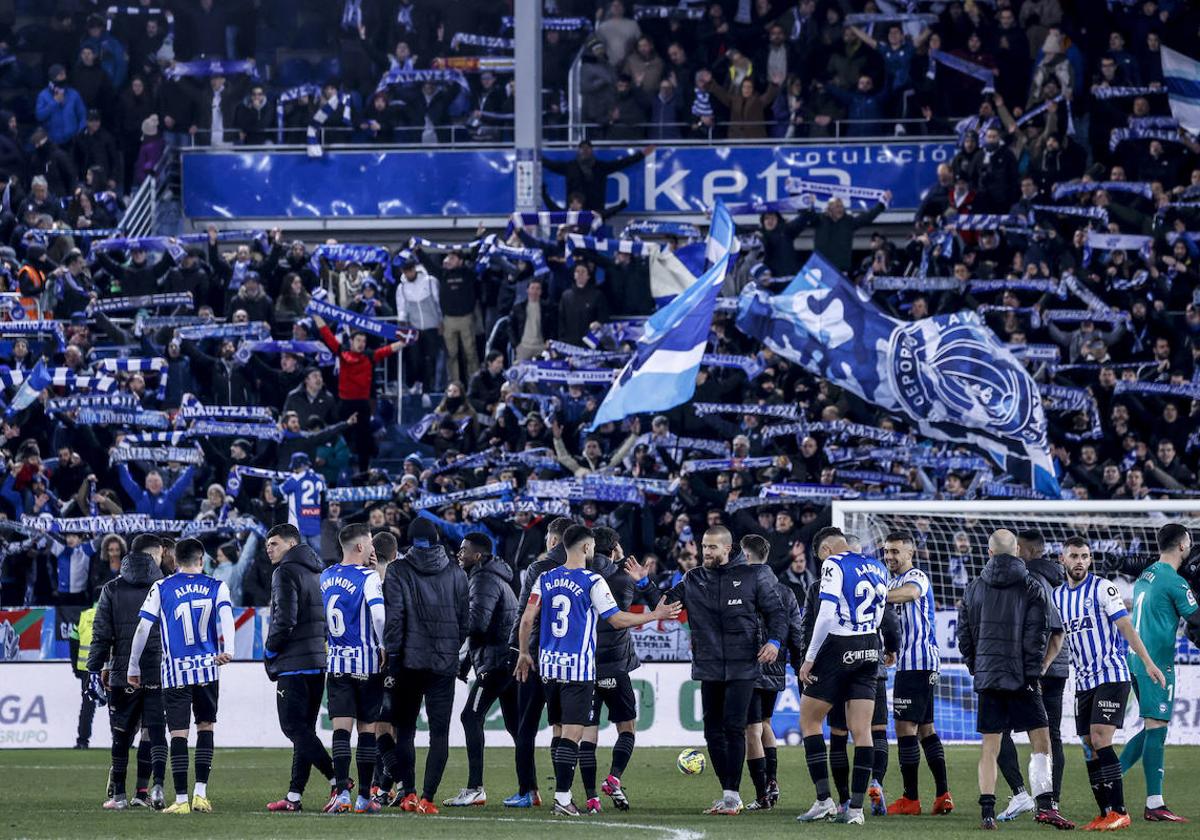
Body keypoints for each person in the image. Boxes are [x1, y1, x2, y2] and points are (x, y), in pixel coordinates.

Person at [514, 525, 680, 816]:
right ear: (587, 548)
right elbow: (615, 620)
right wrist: (655, 614)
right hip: (578, 669)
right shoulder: (593, 581)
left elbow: (527, 618)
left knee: (559, 729)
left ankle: (567, 795)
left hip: (549, 667)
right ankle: (563, 799)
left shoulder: (545, 578)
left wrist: (525, 654)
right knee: (573, 735)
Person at [664, 525, 785, 816]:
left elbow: (777, 613)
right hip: (709, 666)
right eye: (704, 547)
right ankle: (729, 793)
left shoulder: (752, 576)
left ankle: (733, 798)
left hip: (743, 665)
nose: (706, 552)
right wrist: (644, 584)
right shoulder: (693, 578)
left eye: (712, 547)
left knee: (734, 728)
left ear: (728, 549)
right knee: (711, 732)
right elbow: (669, 600)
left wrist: (774, 641)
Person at [957, 529, 1070, 830]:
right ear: (1017, 552)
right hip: (1023, 678)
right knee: (1041, 741)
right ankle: (1045, 806)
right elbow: (1038, 635)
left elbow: (964, 637)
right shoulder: (1032, 586)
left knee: (989, 747)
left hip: (989, 677)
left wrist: (976, 667)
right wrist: (1033, 673)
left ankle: (987, 812)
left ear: (989, 552)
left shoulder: (974, 588)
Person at [1052, 536, 1165, 831]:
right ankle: (1104, 813)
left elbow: (1125, 625)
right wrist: (1042, 668)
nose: (1080, 561)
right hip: (1084, 680)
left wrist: (1149, 662)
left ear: (1091, 560)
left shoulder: (1103, 588)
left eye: (1085, 556)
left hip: (1111, 674)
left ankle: (1120, 812)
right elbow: (1058, 638)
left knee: (1101, 739)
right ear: (1063, 560)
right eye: (1074, 556)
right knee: (1089, 747)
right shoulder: (1058, 596)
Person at [127, 538, 234, 814]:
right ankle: (201, 794)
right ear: (202, 559)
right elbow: (226, 618)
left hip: (175, 672)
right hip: (208, 669)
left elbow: (142, 629)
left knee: (178, 734)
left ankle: (182, 800)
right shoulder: (216, 586)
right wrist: (229, 650)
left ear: (174, 560)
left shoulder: (162, 587)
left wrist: (133, 668)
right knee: (206, 727)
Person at [794, 527, 888, 825]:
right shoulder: (877, 565)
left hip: (839, 645)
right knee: (862, 730)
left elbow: (825, 613)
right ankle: (856, 810)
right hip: (870, 645)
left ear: (825, 551)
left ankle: (824, 800)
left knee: (809, 721)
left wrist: (810, 658)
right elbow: (883, 610)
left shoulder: (834, 564)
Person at [383, 517, 469, 815]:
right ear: (436, 539)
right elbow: (464, 621)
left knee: (404, 731)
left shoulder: (398, 569)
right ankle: (429, 799)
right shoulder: (457, 572)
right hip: (443, 663)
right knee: (440, 733)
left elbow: (395, 619)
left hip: (408, 663)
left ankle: (409, 793)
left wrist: (393, 658)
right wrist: (450, 649)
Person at [577, 526, 662, 813]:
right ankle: (613, 778)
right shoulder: (623, 578)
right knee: (627, 727)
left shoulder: (578, 576)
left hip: (585, 666)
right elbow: (663, 607)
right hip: (614, 665)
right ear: (614, 549)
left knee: (587, 735)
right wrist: (643, 582)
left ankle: (591, 799)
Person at [1119, 523, 1200, 822]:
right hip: (1156, 664)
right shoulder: (1173, 581)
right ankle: (1154, 803)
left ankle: (1110, 776)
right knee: (1157, 727)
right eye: (1189, 541)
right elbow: (1196, 618)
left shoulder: (1147, 573)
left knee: (1155, 725)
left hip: (1137, 659)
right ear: (1182, 545)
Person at [87, 533, 167, 811]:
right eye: (159, 554)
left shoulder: (111, 588)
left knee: (121, 734)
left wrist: (96, 667)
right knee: (154, 732)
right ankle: (146, 791)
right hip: (158, 672)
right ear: (152, 554)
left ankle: (118, 795)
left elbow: (101, 634)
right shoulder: (165, 586)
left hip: (122, 673)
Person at [262, 524, 337, 813]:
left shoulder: (285, 572)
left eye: (275, 543)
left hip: (293, 663)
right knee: (304, 731)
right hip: (317, 662)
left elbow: (284, 620)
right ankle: (294, 796)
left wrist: (270, 651)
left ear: (291, 544)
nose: (269, 548)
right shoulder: (318, 571)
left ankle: (336, 779)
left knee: (292, 727)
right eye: (268, 544)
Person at [995, 530, 1068, 821]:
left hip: (1036, 667)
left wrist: (1039, 668)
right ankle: (1052, 802)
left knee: (997, 729)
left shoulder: (1031, 579)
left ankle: (1022, 794)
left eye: (1016, 548)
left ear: (1024, 550)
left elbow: (1053, 626)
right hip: (1057, 666)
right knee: (1052, 736)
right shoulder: (1053, 576)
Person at [504, 516, 573, 808]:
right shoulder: (588, 569)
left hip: (533, 656)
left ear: (554, 540)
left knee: (526, 727)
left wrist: (517, 650)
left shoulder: (539, 568)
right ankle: (563, 792)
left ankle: (528, 790)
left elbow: (524, 613)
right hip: (569, 659)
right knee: (563, 726)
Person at [445, 533, 518, 808]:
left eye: (463, 550)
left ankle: (476, 788)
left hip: (495, 664)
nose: (458, 553)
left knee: (470, 716)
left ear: (478, 555)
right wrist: (465, 664)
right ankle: (530, 788)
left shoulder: (482, 579)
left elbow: (477, 624)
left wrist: (451, 617)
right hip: (505, 662)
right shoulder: (495, 576)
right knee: (516, 726)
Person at [883, 530, 952, 816]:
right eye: (886, 551)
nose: (889, 556)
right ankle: (942, 795)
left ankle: (910, 799)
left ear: (910, 554)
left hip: (917, 662)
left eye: (895, 551)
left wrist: (877, 594)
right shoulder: (891, 581)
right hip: (914, 663)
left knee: (904, 728)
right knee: (926, 729)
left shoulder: (916, 577)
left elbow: (910, 594)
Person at [321, 523, 386, 815]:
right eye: (370, 542)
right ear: (360, 547)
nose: (373, 547)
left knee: (340, 732)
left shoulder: (326, 576)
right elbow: (380, 615)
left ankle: (342, 796)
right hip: (367, 663)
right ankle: (363, 797)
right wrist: (384, 645)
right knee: (367, 731)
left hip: (336, 663)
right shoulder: (368, 577)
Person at [740, 534, 804, 812]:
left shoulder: (742, 586)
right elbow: (797, 633)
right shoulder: (787, 591)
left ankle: (762, 792)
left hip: (748, 663)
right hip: (776, 667)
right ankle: (773, 782)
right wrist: (800, 664)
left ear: (746, 555)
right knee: (765, 722)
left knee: (751, 728)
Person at [541, 139, 653, 212]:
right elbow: (551, 165)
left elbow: (621, 163)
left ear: (592, 150)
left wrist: (641, 155)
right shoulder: (570, 167)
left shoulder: (600, 167)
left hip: (595, 212)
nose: (585, 151)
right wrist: (534, 155)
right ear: (578, 150)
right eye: (582, 148)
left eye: (587, 148)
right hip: (575, 212)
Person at [279, 453, 328, 553]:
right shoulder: (320, 479)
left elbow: (278, 491)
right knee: (317, 559)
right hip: (315, 524)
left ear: (300, 466)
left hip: (298, 526)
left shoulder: (295, 479)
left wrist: (274, 482)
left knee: (301, 557)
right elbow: (324, 502)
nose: (294, 470)